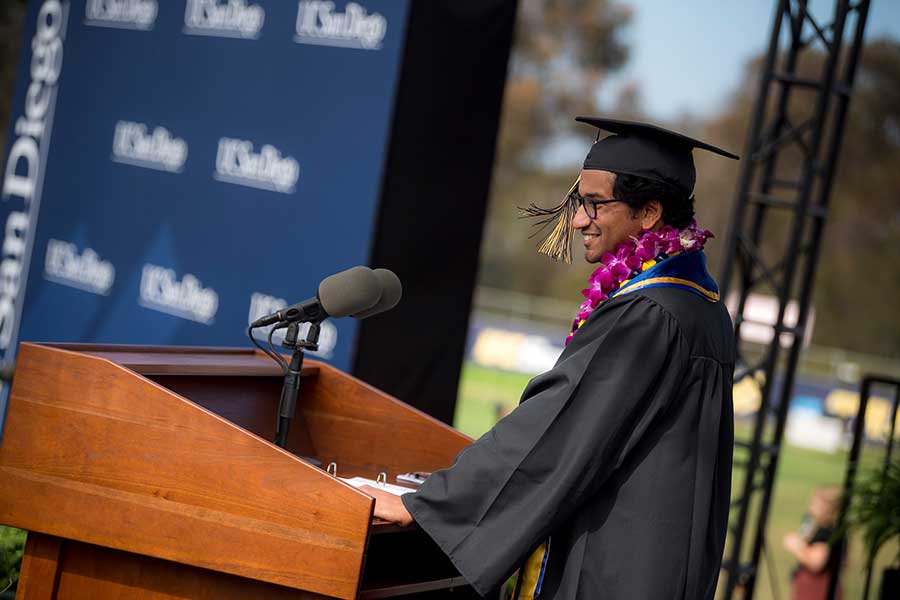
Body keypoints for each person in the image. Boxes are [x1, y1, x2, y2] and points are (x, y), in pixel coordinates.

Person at [364, 117, 739, 599]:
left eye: (594, 204)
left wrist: (427, 505)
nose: (579, 219)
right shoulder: (700, 304)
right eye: (578, 202)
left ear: (648, 213)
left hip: (616, 571)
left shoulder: (650, 313)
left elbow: (558, 426)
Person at [783, 486, 845, 600]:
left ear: (827, 508)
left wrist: (797, 546)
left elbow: (816, 562)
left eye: (815, 504)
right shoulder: (828, 529)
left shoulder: (828, 532)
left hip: (817, 590)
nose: (811, 508)